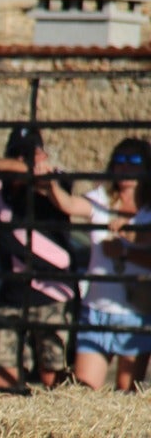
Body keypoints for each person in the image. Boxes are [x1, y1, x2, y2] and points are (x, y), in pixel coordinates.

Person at [0, 127, 79, 390]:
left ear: (43, 155)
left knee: (54, 376)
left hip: (53, 295)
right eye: (17, 154)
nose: (24, 161)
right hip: (12, 296)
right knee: (0, 375)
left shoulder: (54, 179)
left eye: (31, 154)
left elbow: (29, 172)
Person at [54, 138, 151, 390]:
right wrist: (49, 185)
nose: (126, 167)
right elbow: (69, 205)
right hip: (96, 311)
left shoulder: (148, 210)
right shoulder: (100, 199)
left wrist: (125, 250)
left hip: (136, 313)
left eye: (134, 161)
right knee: (84, 392)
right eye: (120, 160)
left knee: (127, 396)